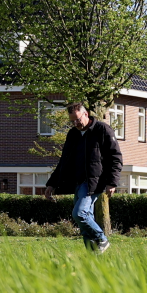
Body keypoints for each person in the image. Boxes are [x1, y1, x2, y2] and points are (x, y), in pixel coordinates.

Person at [44, 103, 123, 253]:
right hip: (77, 182)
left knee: (79, 213)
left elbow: (116, 158)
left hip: (94, 181)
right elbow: (64, 161)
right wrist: (52, 184)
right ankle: (93, 257)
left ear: (86, 114)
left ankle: (102, 239)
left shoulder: (102, 129)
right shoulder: (73, 134)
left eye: (78, 120)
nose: (75, 124)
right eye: (72, 121)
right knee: (85, 222)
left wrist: (112, 182)